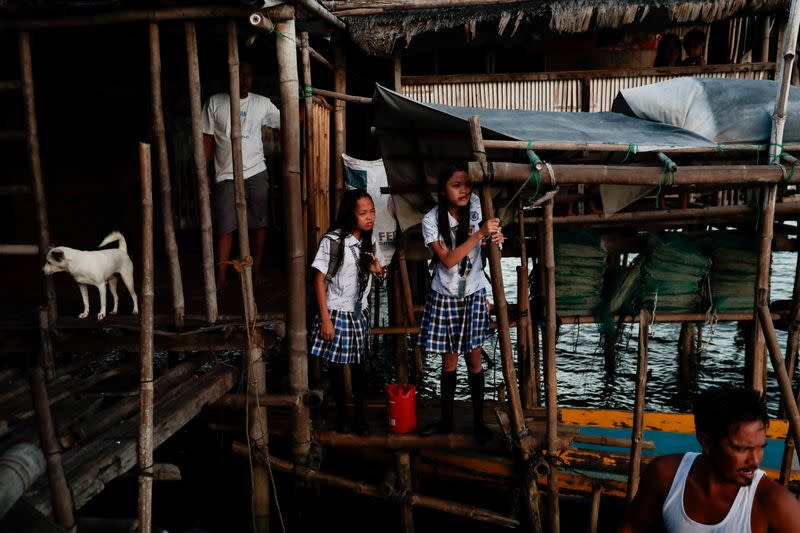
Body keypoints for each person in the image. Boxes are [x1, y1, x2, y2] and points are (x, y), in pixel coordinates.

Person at [619, 386, 800, 532]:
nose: (755, 460)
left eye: (760, 447)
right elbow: (631, 527)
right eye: (741, 448)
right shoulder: (665, 476)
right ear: (706, 442)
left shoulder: (777, 504)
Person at [418, 163, 504, 444]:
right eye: (456, 185)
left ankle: (478, 422)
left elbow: (492, 251)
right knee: (449, 359)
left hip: (474, 291)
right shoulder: (430, 220)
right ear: (443, 191)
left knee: (475, 358)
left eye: (467, 184)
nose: (464, 189)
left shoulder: (478, 204)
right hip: (445, 294)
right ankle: (446, 422)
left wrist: (496, 240)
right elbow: (448, 260)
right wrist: (479, 234)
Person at [309, 189, 387, 436]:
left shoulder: (370, 241)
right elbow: (319, 281)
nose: (370, 217)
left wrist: (379, 271)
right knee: (335, 369)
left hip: (358, 313)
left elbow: (380, 273)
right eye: (363, 213)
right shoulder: (333, 242)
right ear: (350, 215)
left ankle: (360, 416)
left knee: (359, 367)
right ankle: (342, 415)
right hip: (336, 312)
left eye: (372, 211)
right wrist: (325, 320)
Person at [203, 60, 280, 290]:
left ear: (251, 78)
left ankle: (255, 271)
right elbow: (206, 139)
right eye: (239, 75)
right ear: (229, 78)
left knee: (259, 223)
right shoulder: (215, 102)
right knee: (226, 227)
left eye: (247, 75)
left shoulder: (261, 103)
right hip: (226, 174)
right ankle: (221, 276)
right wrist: (204, 172)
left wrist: (310, 104)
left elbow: (287, 120)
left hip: (256, 171)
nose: (244, 79)